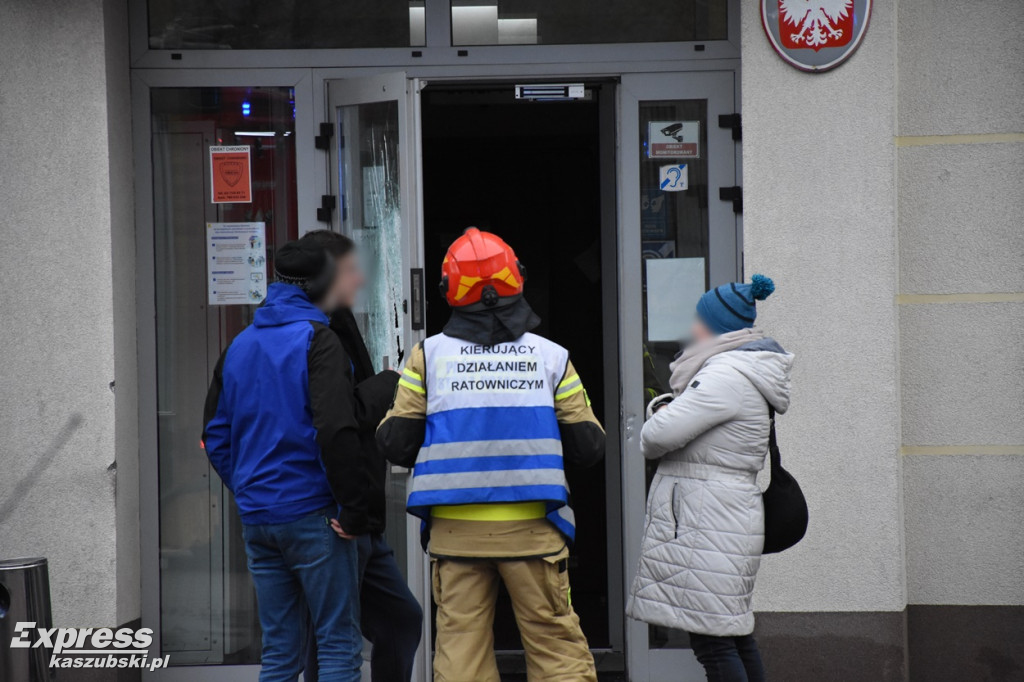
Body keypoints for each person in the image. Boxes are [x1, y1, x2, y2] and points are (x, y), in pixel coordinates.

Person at [376, 228, 606, 682]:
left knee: (460, 652)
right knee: (555, 646)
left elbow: (395, 443)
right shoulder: (552, 358)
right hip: (534, 533)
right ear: (517, 278)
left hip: (456, 535)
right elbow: (589, 448)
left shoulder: (429, 358)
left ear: (448, 291)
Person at [202, 239, 364, 682]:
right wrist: (353, 508)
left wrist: (251, 488)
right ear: (319, 285)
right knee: (337, 645)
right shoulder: (318, 340)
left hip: (259, 517)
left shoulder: (240, 344)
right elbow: (336, 429)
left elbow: (215, 433)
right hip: (313, 513)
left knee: (279, 652)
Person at [626, 274, 793, 682]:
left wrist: (660, 411)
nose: (692, 327)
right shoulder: (744, 369)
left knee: (714, 643)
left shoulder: (724, 374)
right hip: (722, 515)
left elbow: (655, 439)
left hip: (709, 519)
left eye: (699, 319)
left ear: (718, 326)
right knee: (730, 635)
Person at [299, 229, 423, 682]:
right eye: (351, 269)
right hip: (336, 515)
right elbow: (338, 419)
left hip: (359, 517)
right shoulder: (315, 331)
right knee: (332, 639)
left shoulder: (336, 318)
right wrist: (387, 384)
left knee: (400, 620)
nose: (360, 278)